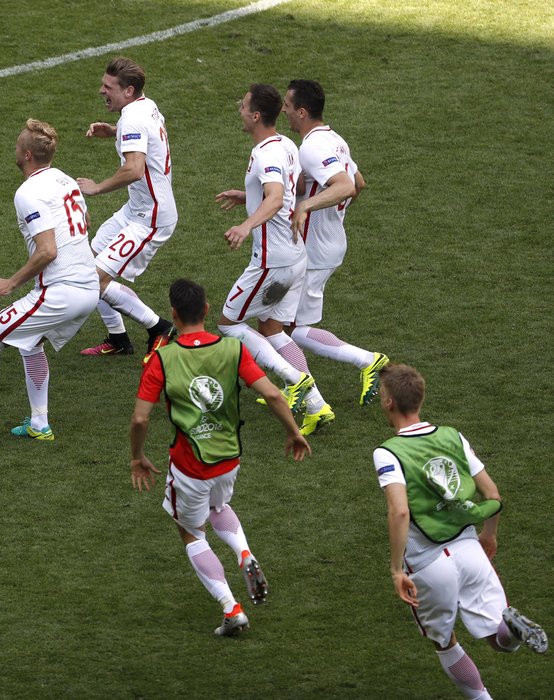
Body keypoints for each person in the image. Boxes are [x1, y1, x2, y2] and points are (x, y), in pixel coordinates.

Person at [130, 278, 310, 636]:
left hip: (189, 464)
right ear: (208, 310)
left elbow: (140, 418)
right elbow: (274, 394)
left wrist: (137, 456)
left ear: (173, 315)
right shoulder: (234, 349)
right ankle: (244, 553)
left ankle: (232, 609)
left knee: (191, 531)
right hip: (229, 457)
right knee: (217, 506)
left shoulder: (163, 359)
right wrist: (294, 432)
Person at [373, 363, 547, 698]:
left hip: (427, 565)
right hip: (470, 551)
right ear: (420, 400)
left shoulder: (388, 451)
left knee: (444, 641)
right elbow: (492, 494)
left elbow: (399, 510)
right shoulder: (454, 436)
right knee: (499, 640)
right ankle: (513, 630)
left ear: (389, 402)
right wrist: (489, 535)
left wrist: (396, 569)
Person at [0, 120, 99, 446]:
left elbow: (48, 250)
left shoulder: (27, 192)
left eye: (16, 145)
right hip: (89, 286)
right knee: (31, 342)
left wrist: (11, 282)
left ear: (26, 155)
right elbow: (85, 222)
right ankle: (40, 423)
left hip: (61, 291)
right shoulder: (65, 179)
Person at [214, 84, 331, 436]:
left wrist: (246, 224)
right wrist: (247, 197)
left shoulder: (265, 154)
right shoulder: (286, 144)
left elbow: (277, 197)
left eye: (243, 104)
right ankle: (316, 404)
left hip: (271, 261)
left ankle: (295, 381)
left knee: (228, 323)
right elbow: (277, 190)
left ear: (254, 116)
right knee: (271, 329)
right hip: (295, 256)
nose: (239, 108)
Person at [281, 79, 388, 405]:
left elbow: (344, 186)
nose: (283, 110)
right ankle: (293, 388)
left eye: (287, 104)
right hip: (328, 242)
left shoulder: (312, 147)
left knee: (293, 329)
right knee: (285, 323)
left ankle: (367, 360)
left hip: (315, 249)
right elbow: (359, 183)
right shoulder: (334, 139)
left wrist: (307, 207)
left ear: (301, 111)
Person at [75, 57, 174, 361]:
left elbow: (133, 169)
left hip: (150, 219)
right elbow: (142, 132)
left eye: (108, 87)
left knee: (92, 281)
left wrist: (97, 187)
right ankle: (118, 339)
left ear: (128, 91)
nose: (101, 91)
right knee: (86, 265)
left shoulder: (133, 118)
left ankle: (159, 328)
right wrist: (115, 130)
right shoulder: (144, 106)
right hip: (136, 209)